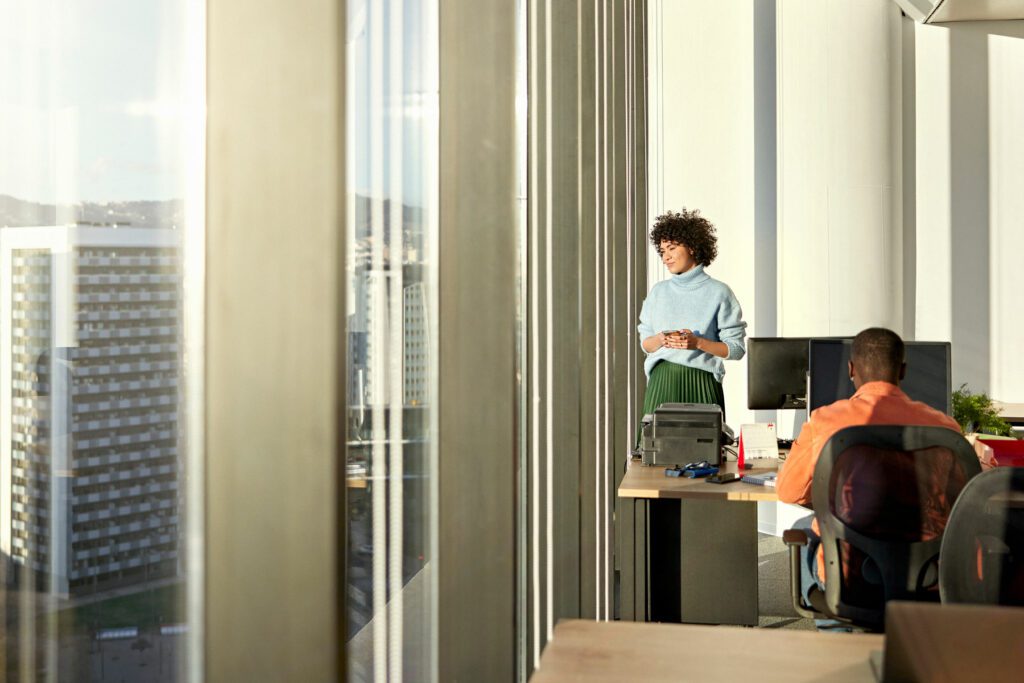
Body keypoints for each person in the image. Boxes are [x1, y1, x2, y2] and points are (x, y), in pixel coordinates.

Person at [777, 327, 961, 602]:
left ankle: (835, 629)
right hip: (924, 575)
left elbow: (788, 492)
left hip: (851, 574)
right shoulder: (945, 428)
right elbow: (963, 502)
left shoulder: (825, 421)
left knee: (808, 528)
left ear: (851, 369)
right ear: (903, 371)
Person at [637, 209, 746, 428]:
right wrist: (661, 339)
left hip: (702, 383)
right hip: (662, 383)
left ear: (693, 247)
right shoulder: (658, 292)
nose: (665, 257)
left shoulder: (719, 292)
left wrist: (697, 343)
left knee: (705, 455)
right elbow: (646, 345)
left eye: (672, 248)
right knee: (657, 456)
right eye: (662, 251)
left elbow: (736, 350)